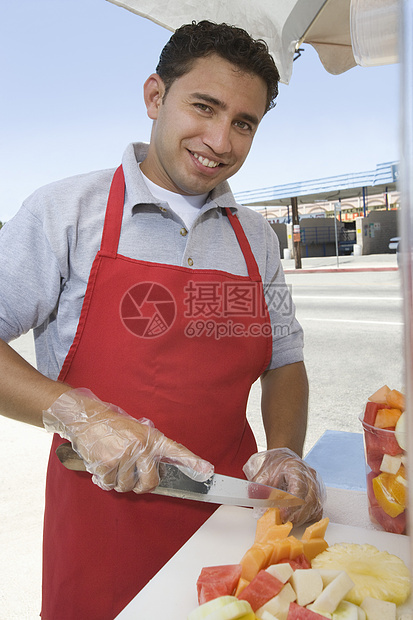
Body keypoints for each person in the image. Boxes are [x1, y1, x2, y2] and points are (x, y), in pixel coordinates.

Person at [0, 20, 324, 620]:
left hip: (235, 527)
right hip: (103, 532)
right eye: (204, 107)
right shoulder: (66, 213)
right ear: (155, 96)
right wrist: (81, 413)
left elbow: (285, 361)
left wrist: (283, 452)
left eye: (244, 123)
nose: (220, 140)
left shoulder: (257, 238)